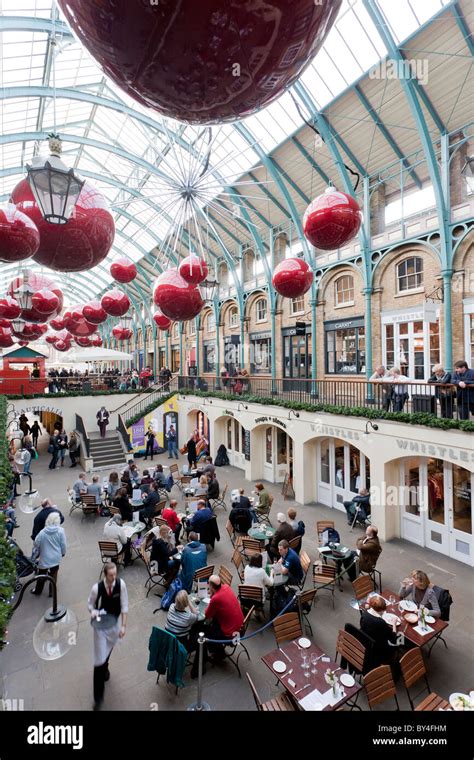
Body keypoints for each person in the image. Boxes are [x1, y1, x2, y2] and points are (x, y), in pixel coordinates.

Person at [88, 562, 128, 710]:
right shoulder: (96, 588)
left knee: (109, 649)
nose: (114, 577)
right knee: (98, 661)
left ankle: (105, 666)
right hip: (100, 627)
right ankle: (98, 699)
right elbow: (90, 605)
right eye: (111, 575)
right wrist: (93, 612)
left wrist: (123, 626)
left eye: (115, 574)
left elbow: (124, 606)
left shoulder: (121, 585)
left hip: (114, 625)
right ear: (105, 575)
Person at [205, 575, 244, 660]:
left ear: (211, 586)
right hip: (241, 628)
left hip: (232, 635)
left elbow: (207, 615)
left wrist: (212, 595)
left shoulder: (216, 598)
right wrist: (212, 594)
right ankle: (218, 651)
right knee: (215, 619)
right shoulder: (226, 586)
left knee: (206, 631)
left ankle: (217, 654)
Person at [31, 512, 67, 597]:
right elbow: (63, 544)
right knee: (54, 574)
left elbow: (36, 543)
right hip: (56, 557)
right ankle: (52, 592)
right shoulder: (61, 531)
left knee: (41, 574)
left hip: (45, 558)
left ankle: (38, 590)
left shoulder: (42, 532)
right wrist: (63, 552)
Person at [360, 595, 399, 668]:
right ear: (382, 610)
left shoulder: (364, 614)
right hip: (379, 650)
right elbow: (393, 639)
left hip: (366, 643)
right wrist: (394, 624)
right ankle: (395, 662)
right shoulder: (381, 623)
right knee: (399, 640)